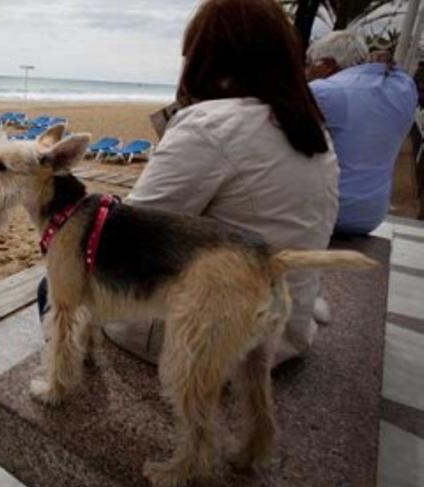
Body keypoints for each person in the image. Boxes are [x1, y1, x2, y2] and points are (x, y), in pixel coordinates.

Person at [38, 0, 339, 365]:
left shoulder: (211, 126)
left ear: (207, 58)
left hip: (216, 338)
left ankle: (66, 384)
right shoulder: (309, 127)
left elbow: (128, 234)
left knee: (55, 285)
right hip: (286, 326)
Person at [306, 31, 417, 235]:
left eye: (310, 63)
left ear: (327, 64)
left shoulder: (323, 91)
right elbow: (398, 74)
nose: (307, 71)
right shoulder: (404, 90)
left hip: (324, 213)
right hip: (370, 216)